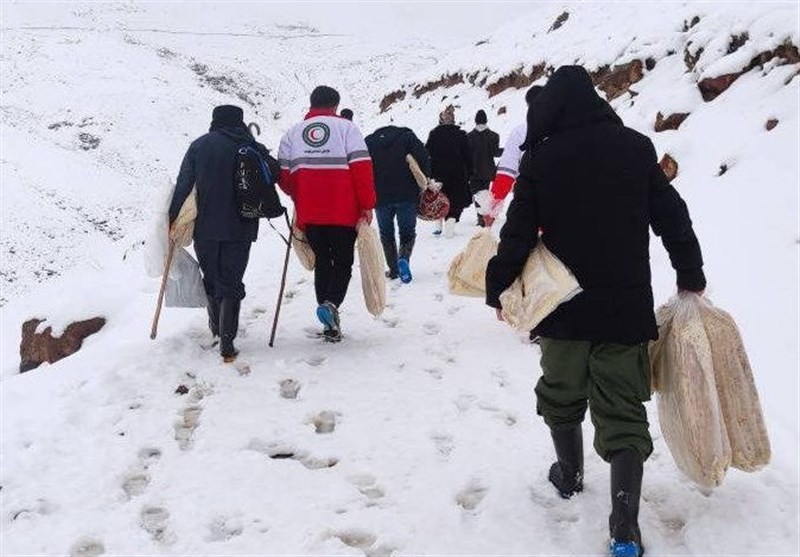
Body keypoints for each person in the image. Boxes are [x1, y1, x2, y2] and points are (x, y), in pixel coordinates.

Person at [485, 66, 706, 557]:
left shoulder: (541, 158)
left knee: (561, 393)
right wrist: (690, 272)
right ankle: (624, 527)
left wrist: (498, 287)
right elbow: (672, 216)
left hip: (562, 307)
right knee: (623, 411)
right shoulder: (633, 148)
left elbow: (517, 234)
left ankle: (569, 473)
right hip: (624, 307)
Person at [278, 86, 375, 342]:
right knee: (342, 262)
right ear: (335, 105)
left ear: (311, 104)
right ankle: (331, 306)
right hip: (344, 212)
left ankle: (328, 319)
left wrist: (302, 195)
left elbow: (285, 178)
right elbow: (362, 170)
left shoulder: (292, 133)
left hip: (310, 214)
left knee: (323, 261)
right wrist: (367, 205)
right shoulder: (348, 129)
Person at [169, 104, 266, 362]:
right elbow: (273, 173)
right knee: (232, 279)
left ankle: (215, 327)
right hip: (242, 226)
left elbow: (184, 185)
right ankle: (227, 339)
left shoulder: (199, 146)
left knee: (211, 277)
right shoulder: (249, 145)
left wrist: (171, 219)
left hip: (206, 228)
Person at [365, 124, 430, 282]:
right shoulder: (408, 137)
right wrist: (426, 178)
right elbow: (423, 157)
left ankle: (393, 269)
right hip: (407, 194)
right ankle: (404, 259)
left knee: (386, 235)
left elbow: (362, 166)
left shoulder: (369, 142)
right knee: (407, 233)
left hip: (380, 197)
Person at [482, 85, 542, 227]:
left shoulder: (521, 133)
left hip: (530, 203)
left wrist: (492, 211)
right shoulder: (568, 129)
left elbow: (506, 174)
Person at [425, 105, 472, 238]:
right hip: (457, 174)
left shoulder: (433, 135)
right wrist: (469, 172)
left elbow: (427, 154)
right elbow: (468, 156)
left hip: (438, 174)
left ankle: (438, 222)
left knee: (439, 198)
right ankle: (451, 223)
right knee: (455, 201)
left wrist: (429, 174)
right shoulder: (461, 135)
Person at [466, 109, 501, 227]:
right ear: (486, 120)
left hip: (473, 171)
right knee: (485, 193)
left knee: (476, 195)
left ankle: (481, 217)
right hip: (488, 171)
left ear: (475, 121)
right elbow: (496, 153)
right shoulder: (494, 136)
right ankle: (486, 216)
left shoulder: (468, 137)